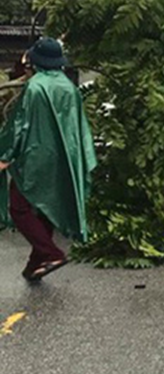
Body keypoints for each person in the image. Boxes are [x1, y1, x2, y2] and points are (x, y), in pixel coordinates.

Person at [0, 38, 97, 282]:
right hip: (62, 157)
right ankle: (35, 263)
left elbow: (20, 125)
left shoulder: (35, 87)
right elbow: (77, 127)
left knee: (19, 207)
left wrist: (5, 155)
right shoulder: (68, 87)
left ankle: (51, 253)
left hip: (36, 157)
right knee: (46, 206)